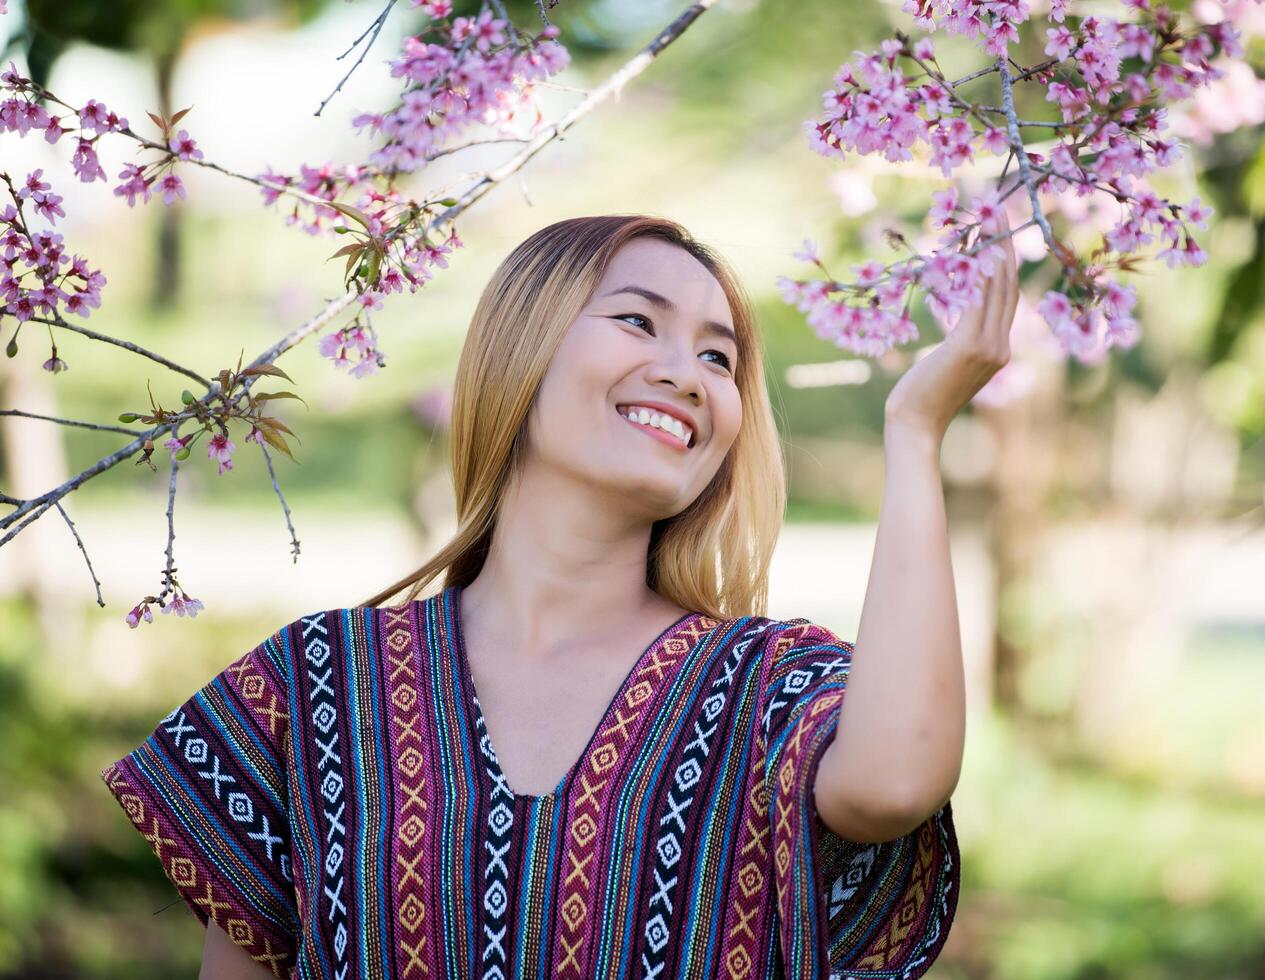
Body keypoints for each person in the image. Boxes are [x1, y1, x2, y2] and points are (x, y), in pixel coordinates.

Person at [100, 213, 1018, 979]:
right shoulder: (314, 686)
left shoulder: (768, 686)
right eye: (637, 321)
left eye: (718, 357)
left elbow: (897, 782)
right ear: (522, 345)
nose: (686, 373)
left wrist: (914, 432)